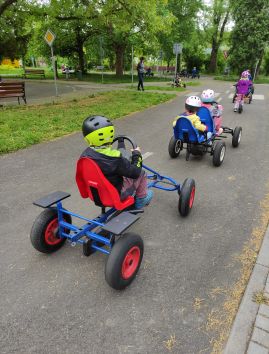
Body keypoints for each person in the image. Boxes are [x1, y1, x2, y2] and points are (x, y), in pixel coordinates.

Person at [80, 115, 153, 209]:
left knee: (123, 166)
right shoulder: (115, 158)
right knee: (142, 173)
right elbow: (135, 172)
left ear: (87, 137)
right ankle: (141, 199)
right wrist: (137, 154)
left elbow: (110, 157)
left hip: (96, 194)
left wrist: (121, 143)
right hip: (116, 195)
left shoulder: (85, 155)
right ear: (110, 134)